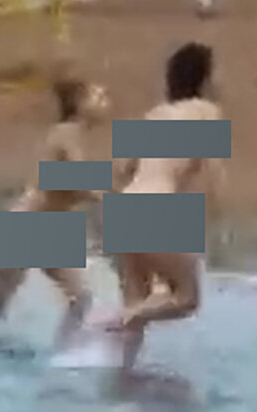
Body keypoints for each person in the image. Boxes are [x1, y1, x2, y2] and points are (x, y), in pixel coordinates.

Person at [92, 42, 225, 371]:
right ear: (204, 79)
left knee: (137, 302)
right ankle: (111, 321)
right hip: (156, 206)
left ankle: (120, 377)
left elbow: (119, 171)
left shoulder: (153, 114)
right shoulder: (208, 111)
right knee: (186, 299)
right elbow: (212, 177)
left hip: (121, 207)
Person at [0, 74, 111, 346]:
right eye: (99, 96)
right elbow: (81, 181)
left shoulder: (73, 136)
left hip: (48, 228)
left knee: (80, 299)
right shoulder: (67, 133)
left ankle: (65, 353)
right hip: (25, 225)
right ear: (79, 104)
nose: (106, 102)